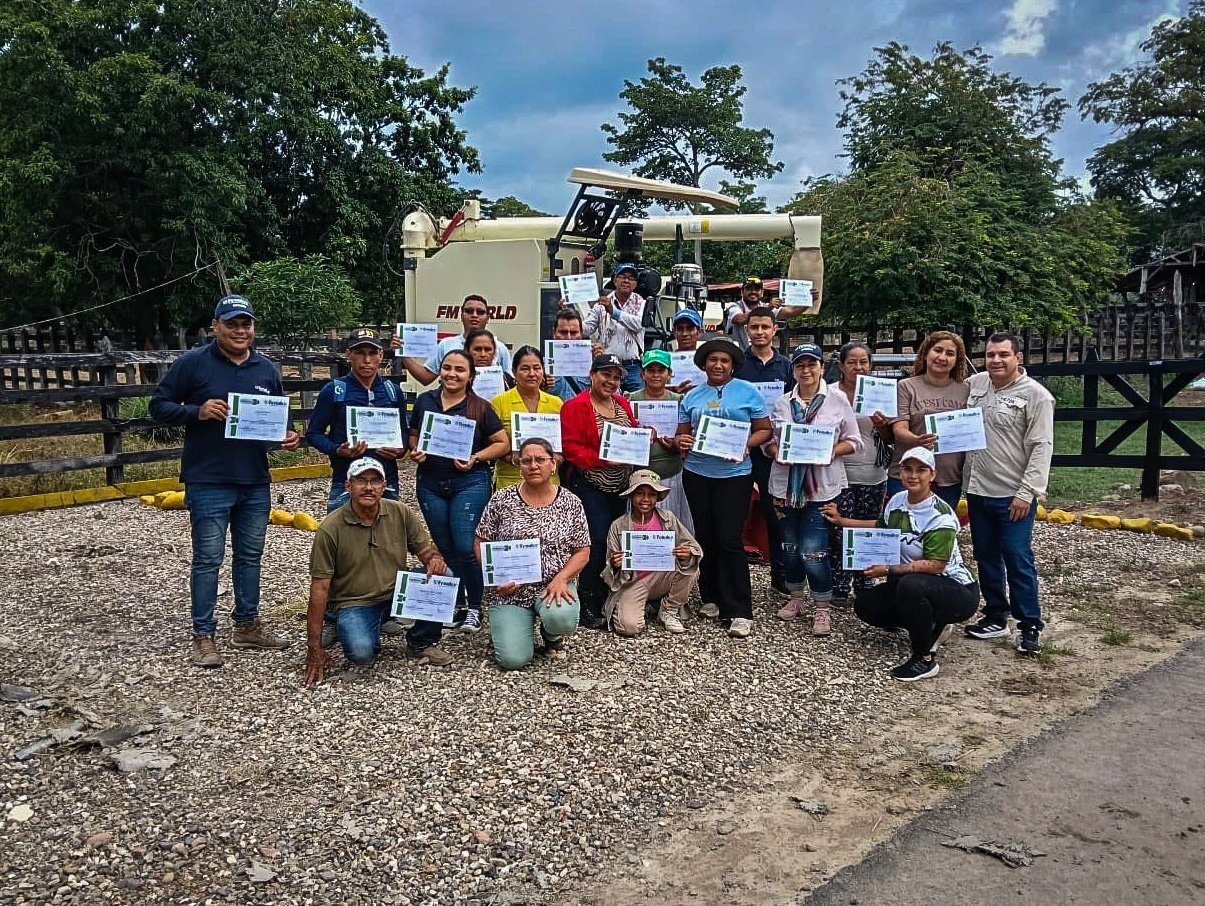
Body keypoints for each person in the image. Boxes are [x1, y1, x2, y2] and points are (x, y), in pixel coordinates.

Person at [150, 294, 297, 668]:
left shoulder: (266, 369)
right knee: (208, 558)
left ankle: (246, 625)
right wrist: (196, 411)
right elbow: (158, 406)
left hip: (254, 479)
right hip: (208, 479)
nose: (240, 330)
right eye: (231, 324)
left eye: (246, 324)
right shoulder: (193, 363)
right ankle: (204, 634)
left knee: (250, 556)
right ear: (215, 326)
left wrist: (287, 436)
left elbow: (279, 420)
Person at [824, 447, 981, 682]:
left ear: (932, 475)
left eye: (921, 470)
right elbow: (881, 527)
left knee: (910, 586)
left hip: (957, 589)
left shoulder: (941, 516)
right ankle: (931, 624)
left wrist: (888, 570)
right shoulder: (898, 500)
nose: (913, 475)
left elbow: (936, 566)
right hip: (916, 582)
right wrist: (842, 521)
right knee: (866, 605)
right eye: (908, 469)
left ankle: (924, 659)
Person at [303, 458, 452, 684]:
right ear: (348, 485)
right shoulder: (330, 528)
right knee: (361, 653)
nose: (368, 487)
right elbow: (319, 588)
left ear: (384, 486)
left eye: (375, 481)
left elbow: (426, 552)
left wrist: (434, 561)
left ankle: (421, 642)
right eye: (361, 481)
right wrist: (313, 647)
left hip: (396, 592)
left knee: (444, 576)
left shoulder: (400, 512)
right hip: (355, 601)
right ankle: (348, 623)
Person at [962, 332, 1055, 656]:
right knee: (986, 555)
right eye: (990, 355)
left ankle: (1029, 624)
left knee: (1017, 557)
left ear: (1018, 358)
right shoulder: (975, 385)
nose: (996, 360)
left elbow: (1041, 447)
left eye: (1003, 354)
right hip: (978, 490)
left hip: (1012, 495)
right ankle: (995, 615)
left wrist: (1027, 493)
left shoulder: (1036, 396)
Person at [676, 337, 773, 638]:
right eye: (712, 360)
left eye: (724, 361)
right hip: (697, 473)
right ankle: (711, 597)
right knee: (705, 535)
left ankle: (739, 609)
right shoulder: (692, 396)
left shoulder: (748, 392)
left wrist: (747, 445)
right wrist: (682, 441)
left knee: (730, 538)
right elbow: (683, 434)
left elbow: (765, 429)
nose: (718, 365)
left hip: (735, 474)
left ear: (732, 365)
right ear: (704, 364)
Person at [408, 349, 511, 633]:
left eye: (459, 370)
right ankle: (454, 602)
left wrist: (476, 457)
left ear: (471, 376)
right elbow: (414, 433)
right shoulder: (425, 401)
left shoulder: (480, 407)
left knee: (466, 546)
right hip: (431, 483)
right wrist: (415, 449)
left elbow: (502, 443)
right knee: (445, 547)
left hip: (469, 482)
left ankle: (475, 606)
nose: (452, 374)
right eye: (447, 368)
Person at [764, 343, 861, 636]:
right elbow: (769, 442)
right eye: (800, 365)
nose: (806, 371)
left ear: (822, 367)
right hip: (785, 487)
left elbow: (854, 441)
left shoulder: (838, 401)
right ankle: (796, 598)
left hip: (822, 488)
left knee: (813, 551)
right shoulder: (783, 403)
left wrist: (831, 451)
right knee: (790, 548)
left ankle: (822, 606)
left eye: (812, 364)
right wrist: (776, 452)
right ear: (793, 369)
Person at [474, 438, 591, 670]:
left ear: (553, 464)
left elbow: (583, 551)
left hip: (553, 585)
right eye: (526, 460)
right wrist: (496, 577)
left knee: (562, 619)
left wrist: (562, 578)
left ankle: (551, 634)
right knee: (512, 660)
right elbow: (481, 540)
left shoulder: (571, 503)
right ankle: (511, 627)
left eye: (540, 459)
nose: (533, 465)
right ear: (519, 465)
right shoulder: (501, 499)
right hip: (510, 591)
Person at [560, 353, 640, 629]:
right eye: (606, 374)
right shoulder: (575, 406)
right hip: (590, 483)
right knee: (595, 540)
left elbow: (632, 432)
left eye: (616, 377)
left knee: (615, 539)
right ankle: (587, 601)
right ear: (592, 375)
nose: (611, 381)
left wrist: (644, 437)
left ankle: (608, 595)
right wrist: (603, 459)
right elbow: (570, 448)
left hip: (620, 485)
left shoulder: (621, 403)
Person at [305, 328, 405, 513]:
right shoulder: (334, 390)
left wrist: (400, 450)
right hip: (345, 480)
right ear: (348, 355)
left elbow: (403, 432)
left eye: (372, 353)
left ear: (381, 356)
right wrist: (336, 449)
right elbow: (313, 433)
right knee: (342, 531)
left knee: (389, 531)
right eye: (360, 353)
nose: (366, 360)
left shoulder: (393, 391)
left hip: (386, 481)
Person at [735, 306, 795, 595]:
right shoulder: (738, 364)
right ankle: (735, 578)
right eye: (754, 327)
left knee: (775, 512)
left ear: (774, 330)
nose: (759, 332)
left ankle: (780, 575)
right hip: (740, 446)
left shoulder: (787, 366)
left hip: (773, 449)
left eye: (765, 327)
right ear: (747, 329)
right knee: (736, 513)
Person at [827, 342, 893, 605]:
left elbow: (889, 438)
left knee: (868, 528)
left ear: (870, 365)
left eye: (863, 362)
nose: (858, 367)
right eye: (852, 362)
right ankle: (839, 585)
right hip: (839, 472)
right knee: (839, 529)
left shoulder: (880, 392)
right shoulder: (829, 393)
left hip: (872, 473)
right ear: (841, 366)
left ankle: (865, 582)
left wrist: (883, 425)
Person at [602, 469, 702, 636]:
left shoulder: (668, 518)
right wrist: (615, 564)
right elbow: (609, 569)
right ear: (631, 496)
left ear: (657, 498)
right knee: (628, 627)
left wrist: (687, 554)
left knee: (691, 568)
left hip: (663, 576)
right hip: (634, 581)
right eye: (640, 493)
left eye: (652, 494)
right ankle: (649, 605)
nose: (646, 499)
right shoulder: (618, 526)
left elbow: (693, 547)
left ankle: (669, 610)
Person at [888, 330, 970, 510]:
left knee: (941, 526)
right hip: (909, 477)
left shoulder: (965, 390)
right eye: (937, 350)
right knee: (903, 525)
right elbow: (899, 430)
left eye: (950, 353)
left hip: (949, 479)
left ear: (957, 360)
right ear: (925, 353)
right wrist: (918, 440)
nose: (942, 357)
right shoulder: (906, 386)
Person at [626, 349, 691, 534]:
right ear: (642, 373)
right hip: (639, 476)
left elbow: (685, 433)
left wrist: (676, 442)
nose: (655, 375)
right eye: (650, 370)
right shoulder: (630, 399)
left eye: (661, 370)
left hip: (671, 473)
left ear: (669, 374)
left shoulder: (680, 401)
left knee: (671, 526)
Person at [400, 294, 514, 385]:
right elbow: (425, 378)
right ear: (461, 315)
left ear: (487, 318)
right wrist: (402, 353)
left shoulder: (499, 348)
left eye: (480, 312)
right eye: (469, 311)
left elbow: (511, 384)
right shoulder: (446, 345)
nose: (474, 315)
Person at [492, 345, 563, 490]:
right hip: (510, 481)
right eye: (525, 369)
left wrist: (560, 457)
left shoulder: (556, 403)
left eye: (537, 368)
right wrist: (511, 458)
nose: (532, 374)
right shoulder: (499, 402)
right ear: (514, 372)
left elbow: (565, 441)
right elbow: (490, 441)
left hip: (549, 482)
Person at [582, 264, 646, 393]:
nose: (626, 280)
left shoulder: (642, 303)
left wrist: (614, 312)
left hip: (632, 366)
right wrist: (569, 315)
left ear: (635, 284)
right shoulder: (601, 304)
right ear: (615, 280)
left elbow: (639, 324)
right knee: (607, 401)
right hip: (608, 366)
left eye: (631, 278)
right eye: (622, 276)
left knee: (635, 402)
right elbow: (586, 329)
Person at [545, 308, 592, 403]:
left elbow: (609, 396)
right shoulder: (540, 367)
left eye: (574, 333)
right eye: (563, 332)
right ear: (554, 333)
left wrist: (604, 365)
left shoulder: (593, 364)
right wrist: (539, 387)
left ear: (581, 333)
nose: (569, 337)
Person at [464, 328, 515, 396]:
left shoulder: (506, 379)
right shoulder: (458, 377)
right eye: (477, 349)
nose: (483, 354)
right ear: (467, 351)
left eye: (488, 349)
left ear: (494, 352)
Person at [723, 276, 765, 351]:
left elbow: (787, 311)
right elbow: (739, 319)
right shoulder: (734, 306)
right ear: (742, 292)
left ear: (762, 293)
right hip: (739, 354)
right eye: (749, 289)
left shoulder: (766, 306)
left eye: (757, 289)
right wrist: (766, 310)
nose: (753, 292)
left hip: (761, 354)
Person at [668, 308, 704, 394]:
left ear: (699, 332)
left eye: (689, 329)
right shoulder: (666, 361)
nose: (684, 334)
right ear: (675, 333)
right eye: (680, 329)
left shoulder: (707, 360)